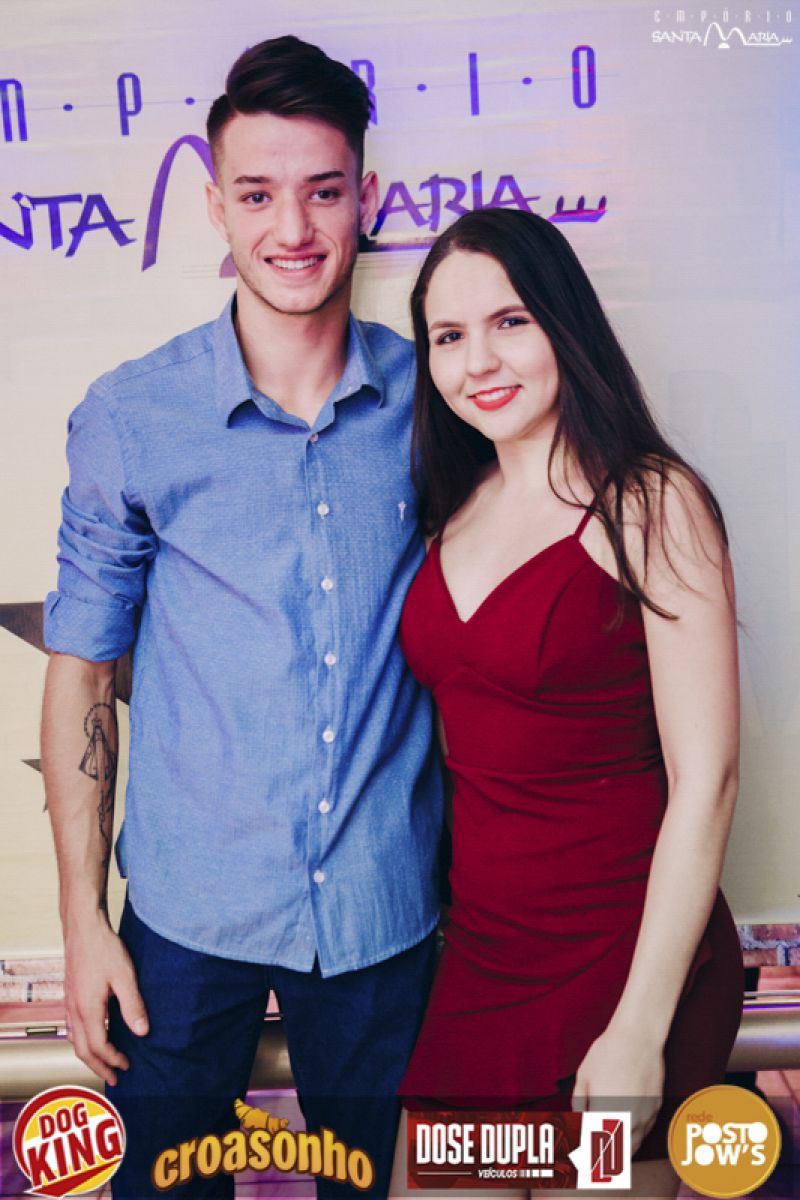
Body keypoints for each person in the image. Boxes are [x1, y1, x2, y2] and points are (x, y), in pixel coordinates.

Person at [41, 35, 443, 1199]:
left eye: (323, 191)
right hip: (183, 919)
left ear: (366, 197)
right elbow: (82, 671)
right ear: (215, 205)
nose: (293, 228)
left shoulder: (440, 403)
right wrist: (83, 922)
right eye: (258, 194)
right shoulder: (132, 418)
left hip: (384, 912)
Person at [391, 209, 744, 1199]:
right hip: (483, 967)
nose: (477, 361)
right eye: (448, 336)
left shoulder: (651, 502)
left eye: (509, 321)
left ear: (564, 322)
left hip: (629, 967)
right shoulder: (448, 508)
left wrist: (638, 1028)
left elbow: (708, 780)